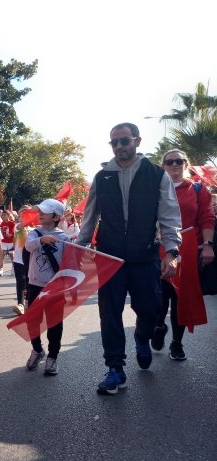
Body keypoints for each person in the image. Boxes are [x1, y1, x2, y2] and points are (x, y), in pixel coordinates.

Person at [76, 122, 182, 395]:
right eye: (114, 142)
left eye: (124, 141)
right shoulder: (102, 177)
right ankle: (115, 369)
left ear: (137, 141)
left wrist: (171, 252)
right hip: (110, 256)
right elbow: (90, 217)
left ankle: (142, 338)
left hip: (145, 254)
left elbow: (169, 216)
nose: (119, 147)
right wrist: (81, 246)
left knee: (150, 309)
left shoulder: (156, 174)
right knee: (109, 313)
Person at [152, 150, 214, 360]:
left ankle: (176, 344)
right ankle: (159, 326)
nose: (175, 164)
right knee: (160, 295)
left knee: (181, 297)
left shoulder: (197, 189)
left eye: (179, 161)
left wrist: (208, 245)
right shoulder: (155, 189)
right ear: (164, 166)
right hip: (161, 247)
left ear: (186, 164)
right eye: (170, 161)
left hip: (189, 247)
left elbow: (206, 217)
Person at [24, 199, 70, 375]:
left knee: (55, 323)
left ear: (56, 216)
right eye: (39, 211)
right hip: (35, 284)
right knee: (32, 320)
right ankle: (37, 349)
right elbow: (29, 246)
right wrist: (42, 240)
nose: (40, 214)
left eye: (44, 211)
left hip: (56, 287)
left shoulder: (64, 238)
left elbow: (71, 262)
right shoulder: (34, 233)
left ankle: (52, 358)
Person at [12, 205, 33, 315]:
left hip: (31, 260)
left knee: (30, 282)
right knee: (20, 281)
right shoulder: (17, 227)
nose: (23, 218)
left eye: (26, 215)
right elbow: (22, 225)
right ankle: (20, 304)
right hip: (19, 260)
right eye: (21, 216)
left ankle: (29, 302)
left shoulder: (34, 229)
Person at [0, 210, 16, 275]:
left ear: (8, 216)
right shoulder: (2, 223)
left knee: (11, 256)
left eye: (4, 215)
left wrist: (11, 235)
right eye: (2, 215)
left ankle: (13, 267)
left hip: (11, 241)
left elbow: (15, 232)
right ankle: (1, 269)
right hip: (4, 241)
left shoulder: (12, 223)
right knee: (3, 255)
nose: (3, 216)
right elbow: (1, 232)